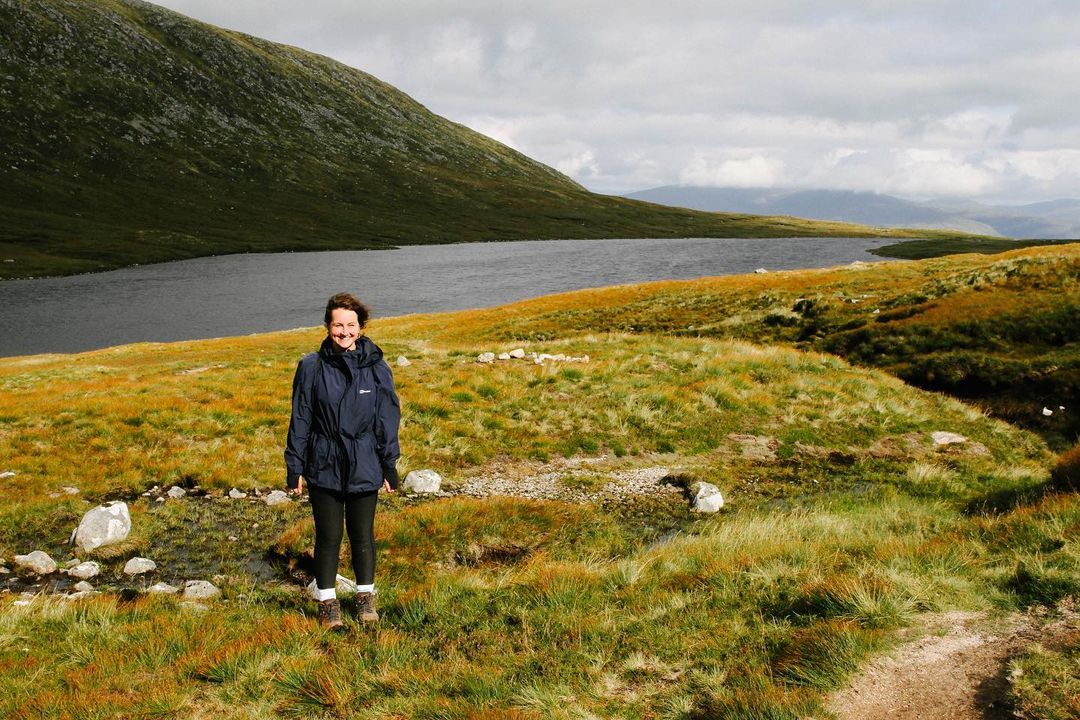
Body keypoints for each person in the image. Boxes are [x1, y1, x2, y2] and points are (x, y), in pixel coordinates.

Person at [284, 292, 401, 630]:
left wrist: (389, 464)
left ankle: (365, 598)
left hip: (365, 461)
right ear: (327, 326)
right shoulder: (311, 366)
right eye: (338, 325)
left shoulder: (377, 368)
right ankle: (327, 602)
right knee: (328, 536)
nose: (344, 331)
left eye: (351, 325)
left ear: (361, 328)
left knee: (362, 535)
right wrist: (295, 467)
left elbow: (386, 419)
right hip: (324, 462)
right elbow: (301, 417)